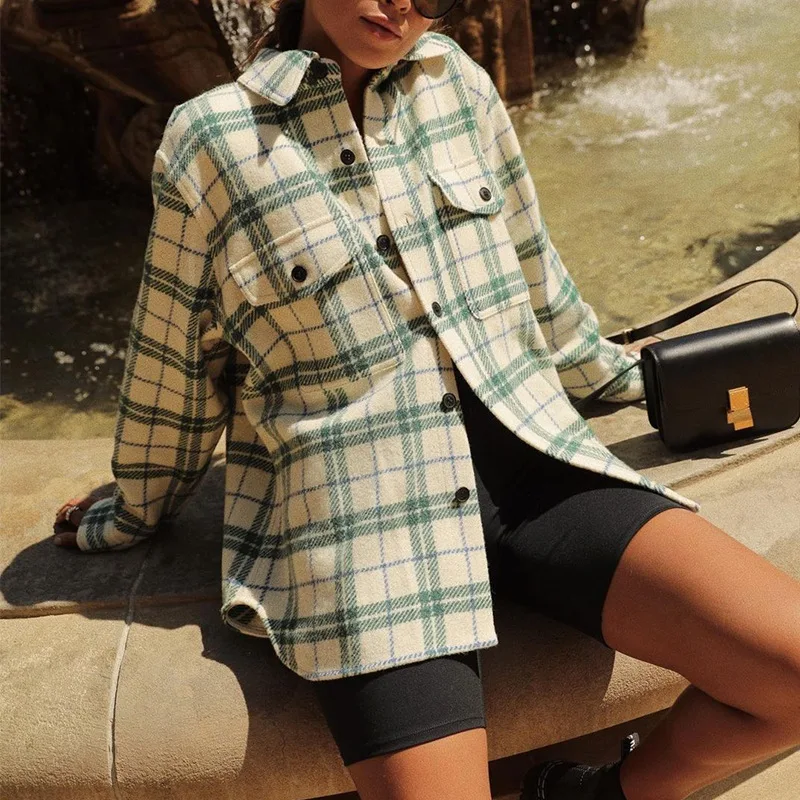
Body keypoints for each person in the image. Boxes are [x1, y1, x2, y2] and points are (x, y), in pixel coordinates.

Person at [53, 1, 800, 798]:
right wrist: (133, 510)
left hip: (537, 472)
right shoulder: (213, 140)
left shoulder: (458, 84)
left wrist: (639, 382)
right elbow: (173, 359)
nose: (402, 4)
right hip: (370, 529)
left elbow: (537, 281)